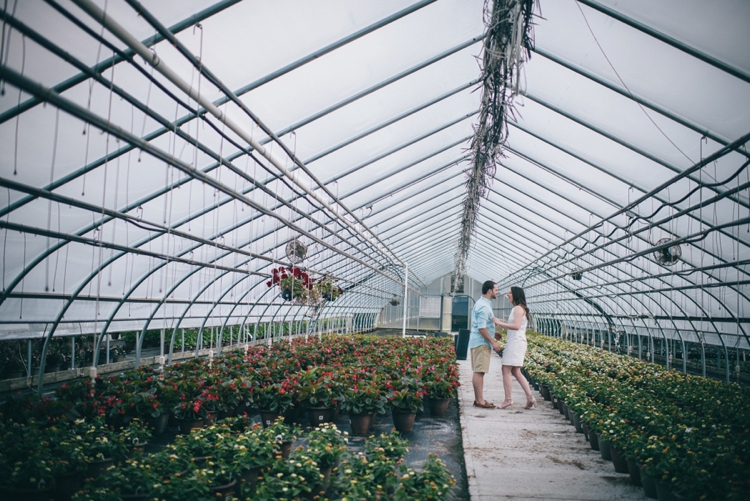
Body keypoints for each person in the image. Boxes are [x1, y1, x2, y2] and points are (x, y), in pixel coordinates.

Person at [493, 286, 537, 410]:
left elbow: (516, 326)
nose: (507, 294)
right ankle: (529, 397)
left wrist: (499, 323)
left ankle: (508, 400)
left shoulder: (518, 309)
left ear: (516, 295)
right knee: (516, 371)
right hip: (516, 341)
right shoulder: (518, 308)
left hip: (516, 342)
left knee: (506, 370)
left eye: (510, 293)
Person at [468, 280, 503, 409]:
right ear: (490, 291)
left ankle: (478, 399)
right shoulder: (484, 306)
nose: (497, 292)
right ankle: (480, 400)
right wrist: (493, 342)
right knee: (479, 372)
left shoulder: (482, 303)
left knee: (478, 371)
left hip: (477, 341)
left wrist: (493, 334)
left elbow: (481, 325)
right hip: (481, 343)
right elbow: (481, 328)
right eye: (496, 289)